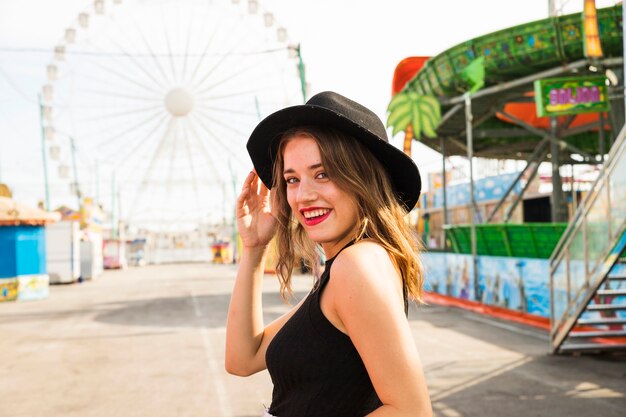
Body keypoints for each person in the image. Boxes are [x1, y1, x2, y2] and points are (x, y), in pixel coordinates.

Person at [225, 91, 432, 417]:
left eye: (323, 174)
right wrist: (253, 247)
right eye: (292, 179)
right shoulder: (343, 270)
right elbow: (242, 358)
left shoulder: (357, 264)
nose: (303, 195)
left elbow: (410, 411)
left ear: (362, 178)